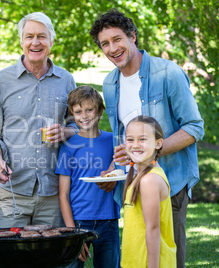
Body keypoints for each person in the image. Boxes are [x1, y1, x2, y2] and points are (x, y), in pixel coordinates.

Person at [90, 10, 204, 268]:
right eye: (105, 44)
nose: (112, 48)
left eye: (117, 39)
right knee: (138, 252)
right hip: (131, 184)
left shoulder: (168, 73)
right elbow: (125, 139)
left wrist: (151, 153)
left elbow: (194, 127)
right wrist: (113, 168)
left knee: (167, 257)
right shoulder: (110, 83)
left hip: (169, 182)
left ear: (133, 37)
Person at [0, 12, 77, 228]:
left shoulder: (66, 79)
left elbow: (77, 124)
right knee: (11, 257)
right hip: (13, 192)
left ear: (51, 41)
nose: (35, 42)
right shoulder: (0, 81)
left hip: (54, 193)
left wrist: (66, 132)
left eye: (42, 36)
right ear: (21, 41)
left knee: (51, 258)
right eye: (29, 36)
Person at [56, 86, 120, 268]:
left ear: (100, 111)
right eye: (78, 112)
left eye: (89, 110)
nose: (84, 116)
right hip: (78, 221)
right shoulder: (68, 145)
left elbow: (124, 165)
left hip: (108, 220)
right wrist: (72, 232)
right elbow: (63, 194)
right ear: (72, 115)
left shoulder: (113, 141)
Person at [122, 115, 176, 267]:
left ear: (158, 143)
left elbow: (153, 230)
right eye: (130, 139)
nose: (135, 145)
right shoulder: (142, 175)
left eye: (143, 139)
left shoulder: (149, 180)